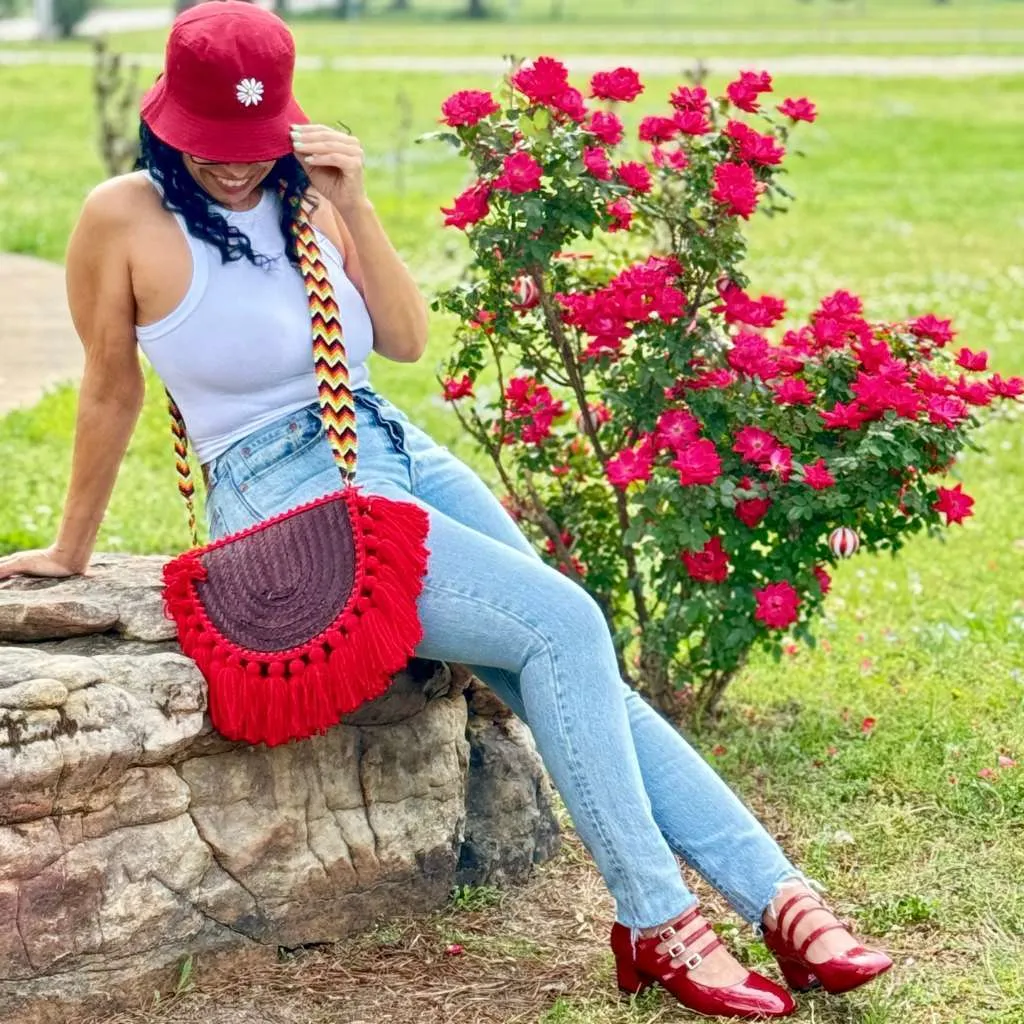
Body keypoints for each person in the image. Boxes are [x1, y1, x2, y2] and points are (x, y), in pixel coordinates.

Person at [0, 3, 893, 1018]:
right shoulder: (120, 217)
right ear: (168, 121)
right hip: (280, 489)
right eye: (215, 148)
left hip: (387, 444)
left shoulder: (309, 195)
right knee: (566, 624)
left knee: (562, 654)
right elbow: (109, 386)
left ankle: (778, 899)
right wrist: (70, 549)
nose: (238, 168)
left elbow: (407, 339)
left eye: (256, 145)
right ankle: (657, 917)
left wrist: (357, 205)